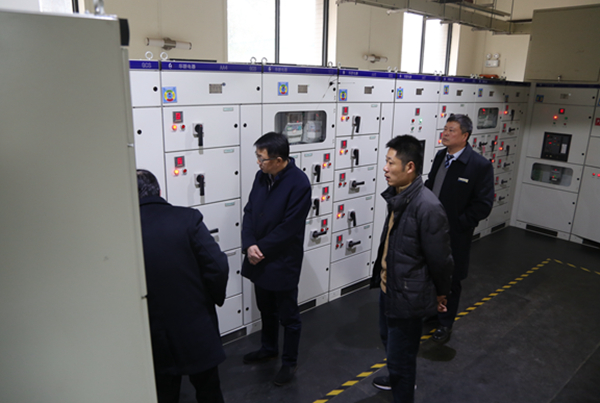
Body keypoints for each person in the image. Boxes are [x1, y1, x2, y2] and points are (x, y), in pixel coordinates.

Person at [370, 135, 454, 403]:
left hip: (408, 295)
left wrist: (441, 293)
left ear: (409, 167)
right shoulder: (399, 196)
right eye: (386, 161)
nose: (385, 168)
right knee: (389, 341)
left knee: (402, 357)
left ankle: (402, 388)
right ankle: (396, 376)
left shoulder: (427, 207)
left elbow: (441, 259)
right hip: (390, 287)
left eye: (391, 163)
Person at [137, 169, 229, 403]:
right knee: (209, 391)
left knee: (163, 393)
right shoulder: (187, 218)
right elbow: (218, 266)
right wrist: (211, 299)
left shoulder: (124, 230)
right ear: (159, 190)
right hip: (196, 325)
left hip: (152, 331)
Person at [241, 132, 312, 386]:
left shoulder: (299, 183)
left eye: (262, 158)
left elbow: (289, 227)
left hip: (282, 260)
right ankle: (268, 348)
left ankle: (289, 362)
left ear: (279, 160)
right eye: (258, 157)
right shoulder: (261, 177)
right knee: (266, 308)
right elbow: (249, 211)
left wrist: (259, 248)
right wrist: (249, 244)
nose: (258, 162)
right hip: (258, 257)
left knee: (288, 316)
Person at [424, 114, 495, 343]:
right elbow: (430, 186)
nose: (445, 133)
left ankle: (445, 323)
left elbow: (483, 205)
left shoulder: (479, 166)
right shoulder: (440, 157)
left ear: (465, 136)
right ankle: (433, 312)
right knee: (431, 273)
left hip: (455, 235)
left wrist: (459, 224)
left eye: (451, 130)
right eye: (445, 129)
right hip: (430, 229)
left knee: (450, 280)